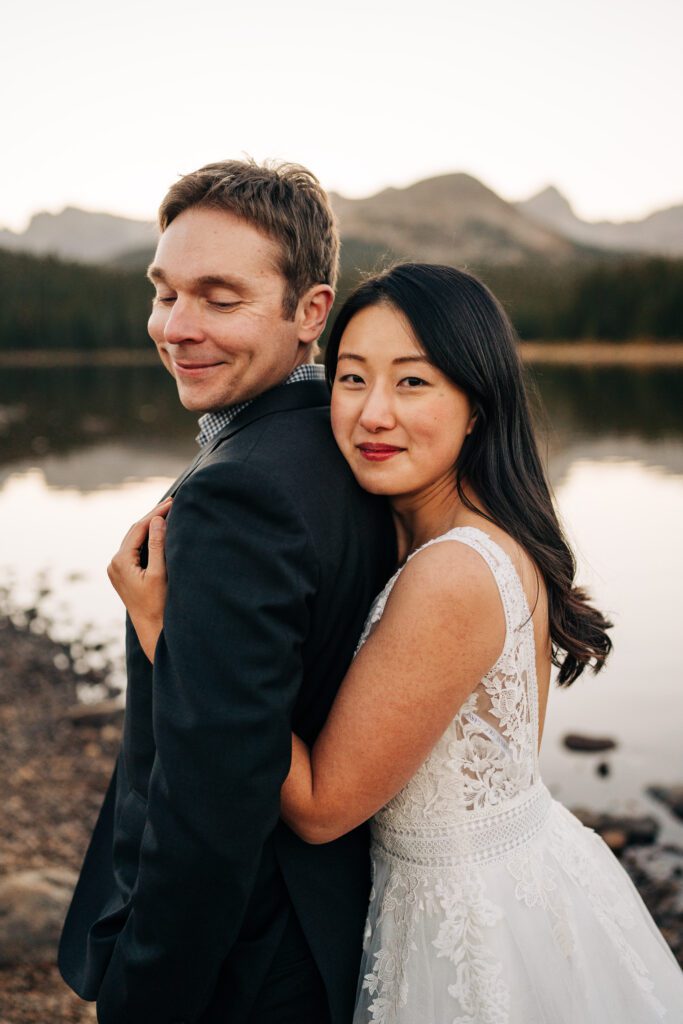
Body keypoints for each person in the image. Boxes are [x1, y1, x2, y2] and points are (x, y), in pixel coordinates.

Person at [121, 262, 683, 1022]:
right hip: (502, 878)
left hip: (468, 921)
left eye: (412, 383)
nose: (372, 414)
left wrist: (172, 637)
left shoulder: (450, 574)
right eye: (351, 380)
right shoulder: (468, 530)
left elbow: (321, 808)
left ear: (476, 402)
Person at [57, 159, 396, 1024]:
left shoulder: (241, 491)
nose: (176, 326)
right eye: (164, 291)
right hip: (318, 929)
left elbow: (210, 805)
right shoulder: (340, 447)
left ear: (309, 311)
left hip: (241, 968)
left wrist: (145, 992)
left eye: (219, 297)